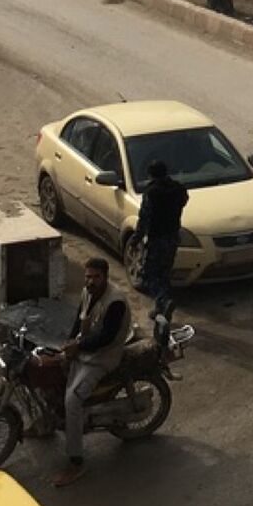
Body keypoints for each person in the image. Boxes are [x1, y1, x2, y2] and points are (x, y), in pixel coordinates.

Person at [48, 257, 133, 488]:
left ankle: (76, 461)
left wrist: (78, 347)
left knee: (72, 401)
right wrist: (69, 341)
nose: (90, 281)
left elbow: (107, 337)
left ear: (105, 277)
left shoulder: (115, 302)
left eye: (95, 277)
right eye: (88, 276)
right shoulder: (87, 292)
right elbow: (79, 318)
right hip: (84, 350)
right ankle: (46, 423)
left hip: (102, 358)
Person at [132, 159, 190, 314]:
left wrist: (136, 238)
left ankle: (163, 300)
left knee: (148, 276)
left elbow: (144, 217)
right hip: (172, 237)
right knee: (164, 273)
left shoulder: (151, 192)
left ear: (151, 175)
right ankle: (160, 307)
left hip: (157, 238)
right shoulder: (178, 188)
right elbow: (184, 202)